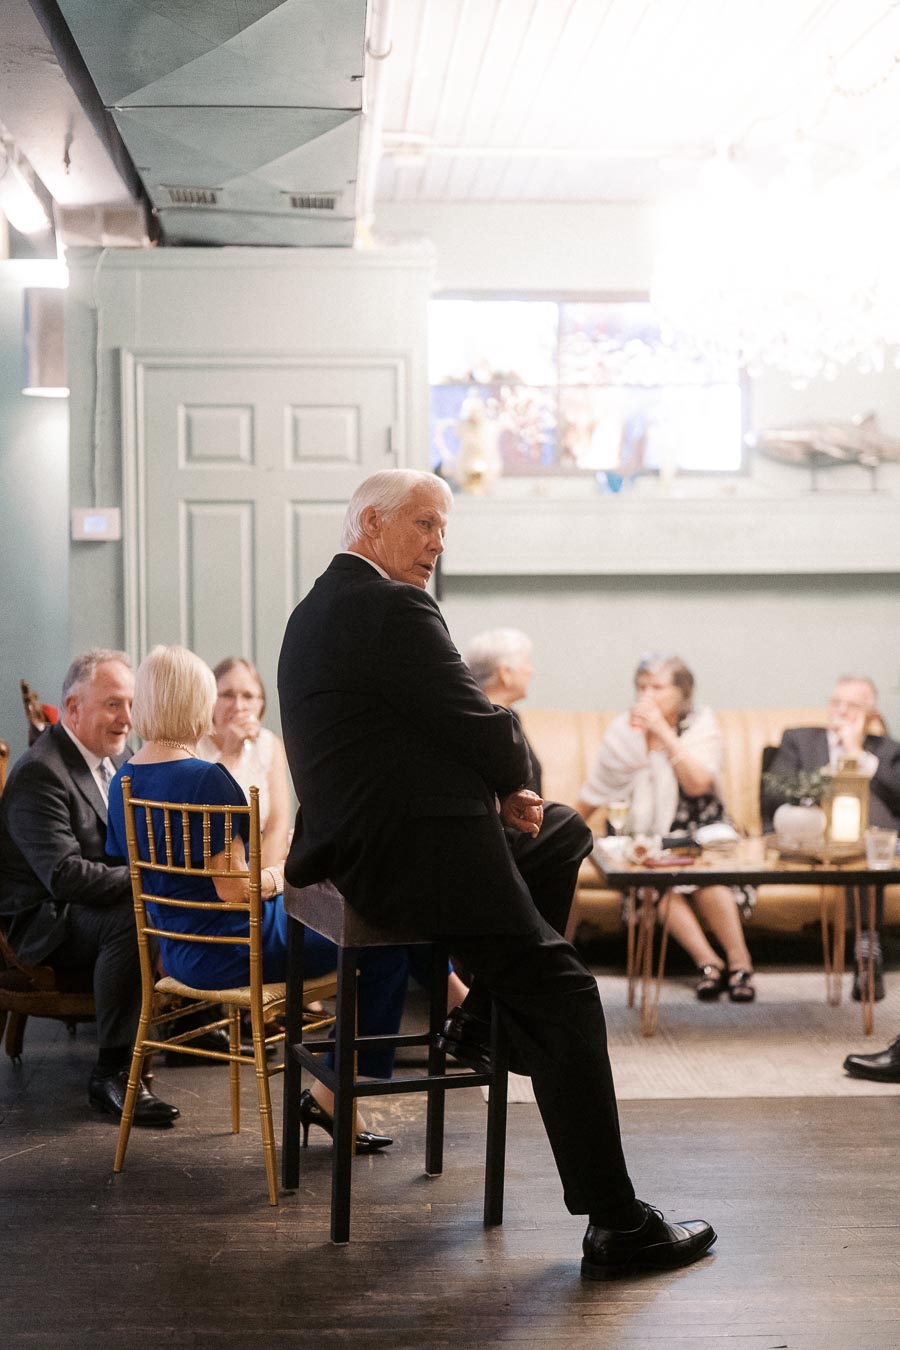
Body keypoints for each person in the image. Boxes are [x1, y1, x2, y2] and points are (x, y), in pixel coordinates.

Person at [277, 468, 715, 1280]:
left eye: (445, 528)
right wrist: (499, 775)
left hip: (367, 840)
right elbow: (492, 733)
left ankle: (482, 1013)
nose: (439, 544)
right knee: (567, 991)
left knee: (561, 828)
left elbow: (406, 734)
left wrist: (493, 792)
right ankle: (617, 1224)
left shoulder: (315, 609)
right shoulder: (392, 607)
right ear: (370, 523)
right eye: (424, 525)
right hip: (413, 857)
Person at [105, 643, 410, 1153]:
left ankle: (333, 1096)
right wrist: (282, 871)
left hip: (177, 952)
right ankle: (335, 1097)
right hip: (233, 951)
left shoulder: (124, 780)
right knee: (383, 942)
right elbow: (235, 894)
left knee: (373, 928)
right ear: (196, 705)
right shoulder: (207, 779)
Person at [0, 649, 178, 1126]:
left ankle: (192, 1023)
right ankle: (113, 1074)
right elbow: (64, 875)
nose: (127, 719)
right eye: (114, 705)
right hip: (44, 921)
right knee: (131, 916)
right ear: (74, 708)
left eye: (131, 704)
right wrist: (152, 879)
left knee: (162, 901)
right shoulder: (41, 772)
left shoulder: (110, 763)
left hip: (81, 904)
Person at [576, 655, 756, 1004]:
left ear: (682, 693)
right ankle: (710, 964)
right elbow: (592, 797)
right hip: (648, 841)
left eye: (657, 687)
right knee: (656, 886)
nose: (647, 694)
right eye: (642, 687)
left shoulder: (701, 725)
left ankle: (740, 964)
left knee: (708, 881)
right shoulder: (622, 732)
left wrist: (663, 733)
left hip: (702, 832)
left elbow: (698, 784)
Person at [761, 675, 900, 1003]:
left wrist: (854, 751)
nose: (842, 712)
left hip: (862, 846)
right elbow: (773, 792)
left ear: (871, 714)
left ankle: (866, 951)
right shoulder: (800, 740)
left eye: (853, 706)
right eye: (837, 703)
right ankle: (868, 946)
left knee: (862, 840)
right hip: (810, 840)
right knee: (853, 836)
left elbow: (896, 800)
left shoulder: (886, 751)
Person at [197, 657, 290, 868]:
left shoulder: (269, 744)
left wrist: (261, 880)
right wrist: (230, 754)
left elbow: (277, 824)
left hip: (261, 861)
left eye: (248, 696)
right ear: (210, 699)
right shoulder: (193, 743)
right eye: (227, 695)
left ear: (261, 705)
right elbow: (199, 820)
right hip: (208, 864)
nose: (238, 706)